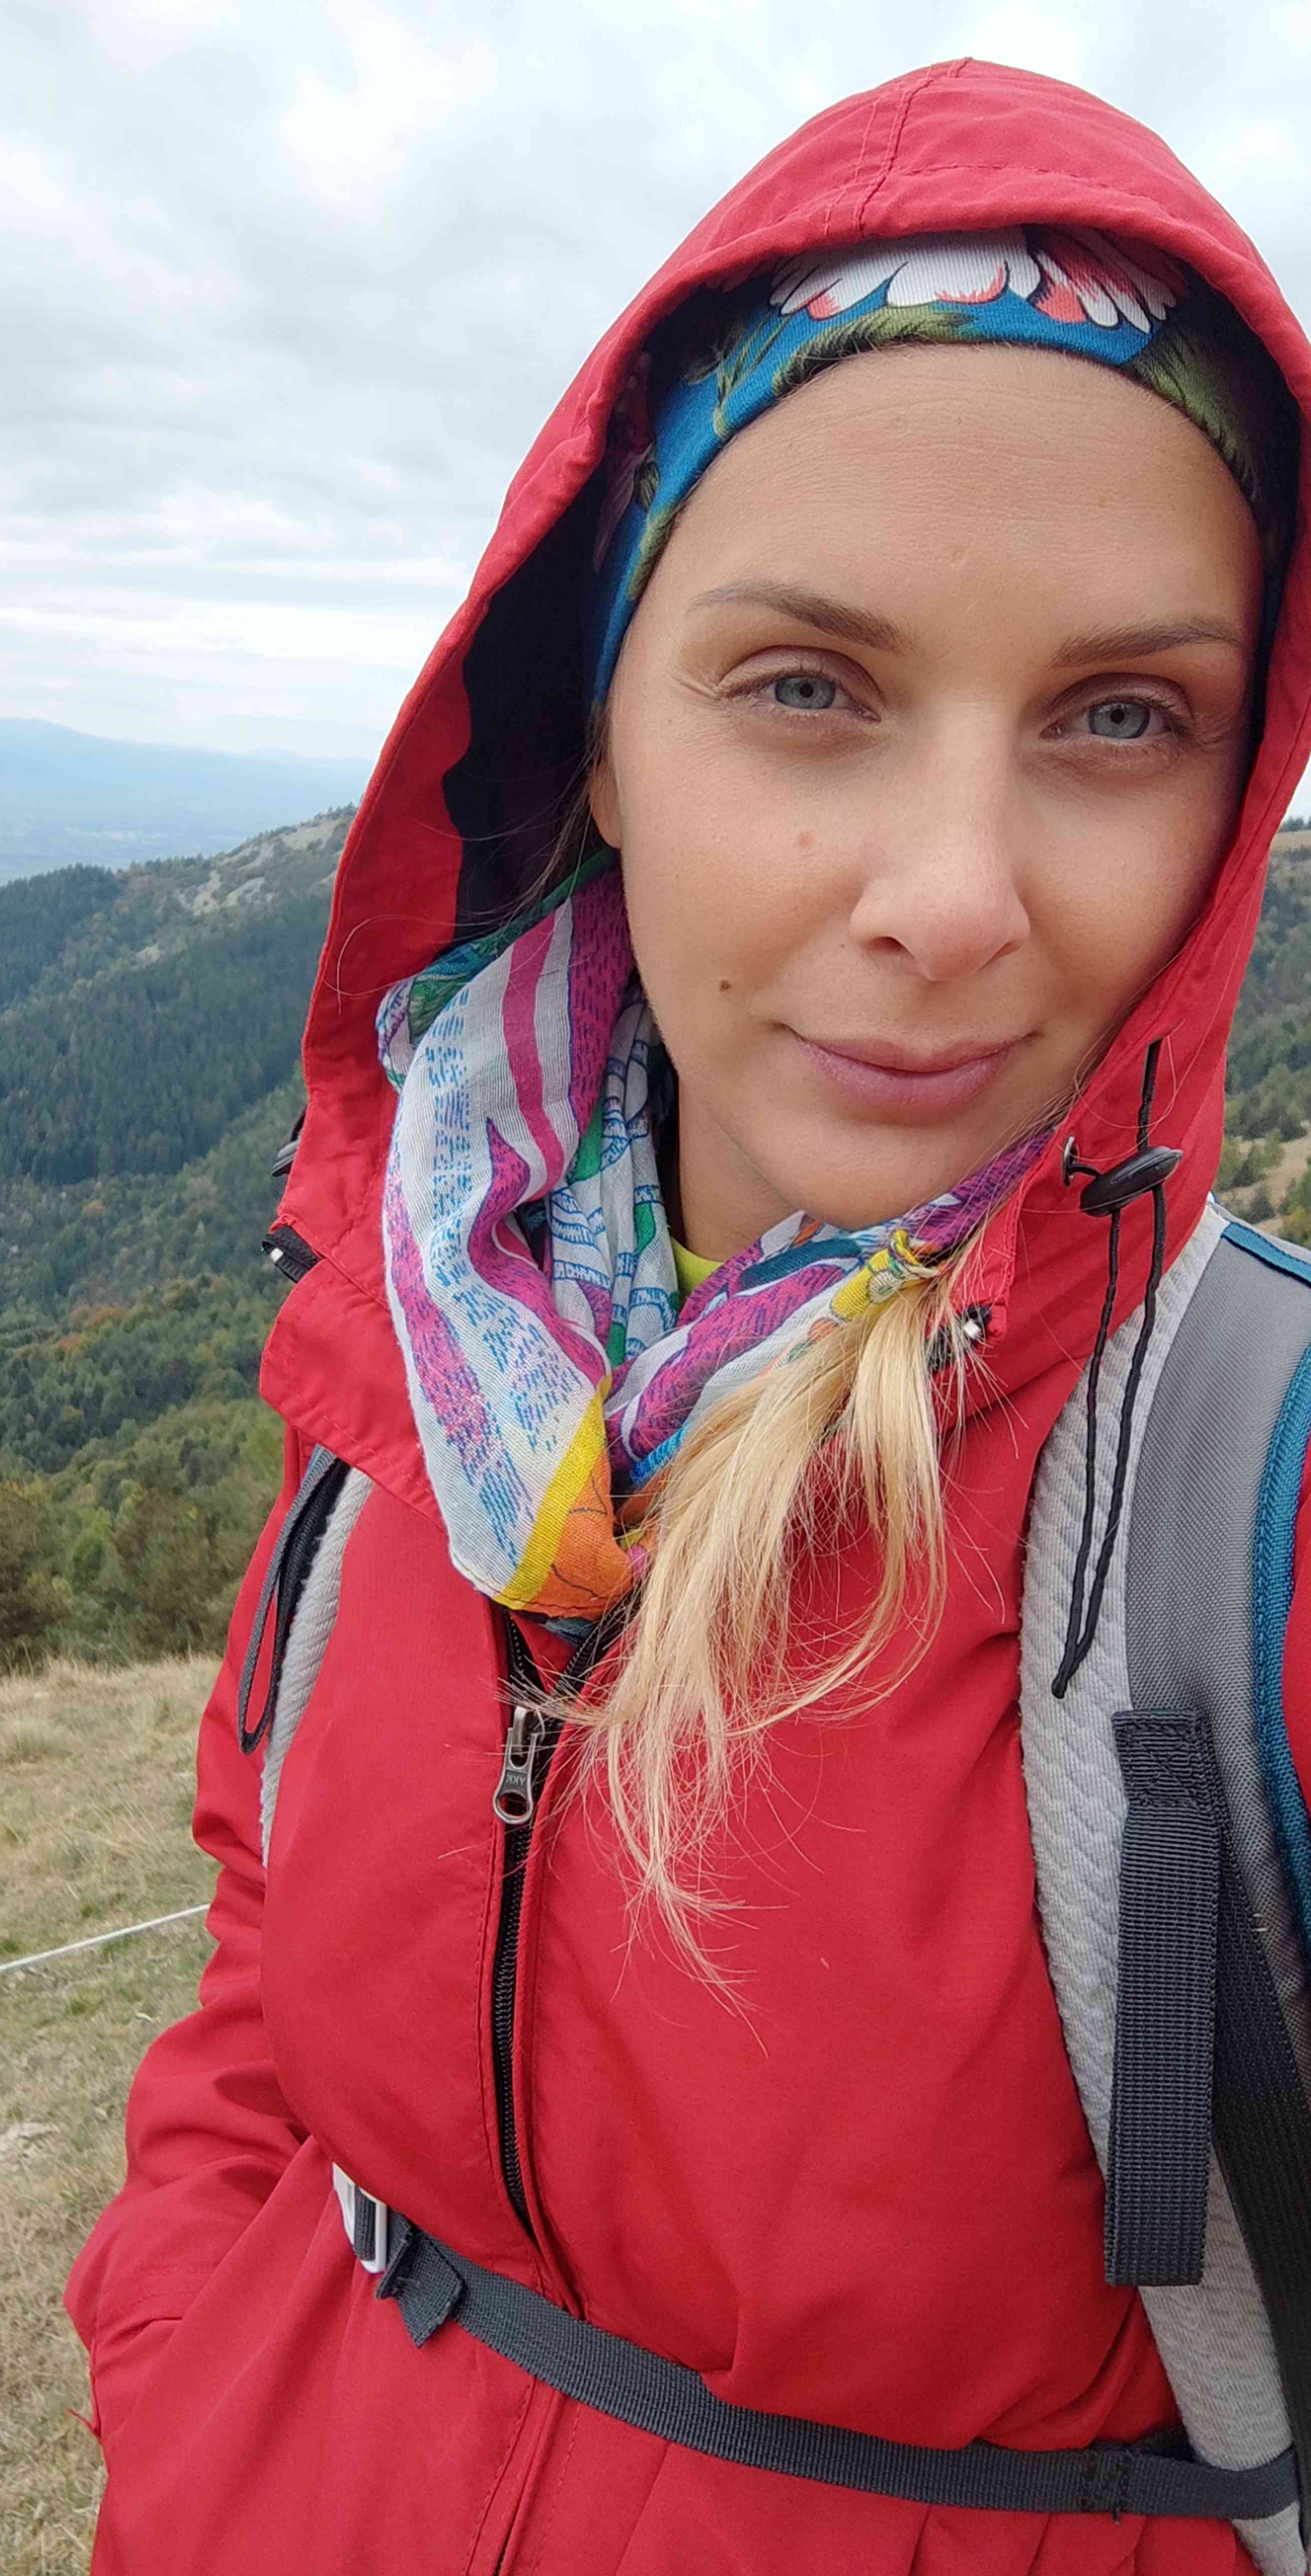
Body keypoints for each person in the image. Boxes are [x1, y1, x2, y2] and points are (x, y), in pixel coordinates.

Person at [67, 57, 1311, 2576]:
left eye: (1120, 718)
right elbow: (256, 1940)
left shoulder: (1249, 1517)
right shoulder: (434, 1347)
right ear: (603, 734)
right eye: (809, 687)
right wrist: (189, 2381)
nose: (950, 895)